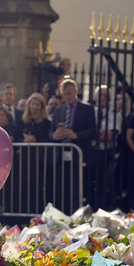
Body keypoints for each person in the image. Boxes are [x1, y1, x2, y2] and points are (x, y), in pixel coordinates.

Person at [49, 78, 96, 212]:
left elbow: (92, 130)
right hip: (61, 154)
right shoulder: (58, 110)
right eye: (65, 94)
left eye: (70, 93)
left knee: (77, 187)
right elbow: (51, 131)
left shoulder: (87, 109)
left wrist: (76, 135)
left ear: (76, 91)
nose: (67, 97)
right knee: (61, 187)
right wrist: (54, 135)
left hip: (78, 153)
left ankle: (76, 214)